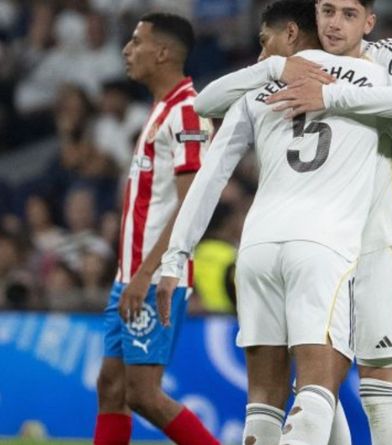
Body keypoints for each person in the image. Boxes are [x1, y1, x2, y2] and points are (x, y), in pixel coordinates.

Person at [156, 2, 392, 445]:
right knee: (327, 388)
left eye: (348, 14)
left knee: (286, 400)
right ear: (314, 17)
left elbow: (207, 138)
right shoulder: (369, 81)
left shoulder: (373, 64)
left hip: (310, 241)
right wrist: (340, 98)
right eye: (327, 11)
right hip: (328, 242)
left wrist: (176, 256)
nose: (335, 22)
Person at [92, 13, 218, 445]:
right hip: (130, 275)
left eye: (136, 42)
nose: (126, 50)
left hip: (154, 277)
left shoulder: (187, 112)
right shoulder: (162, 108)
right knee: (110, 386)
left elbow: (190, 204)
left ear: (162, 52)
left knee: (143, 394)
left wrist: (146, 275)